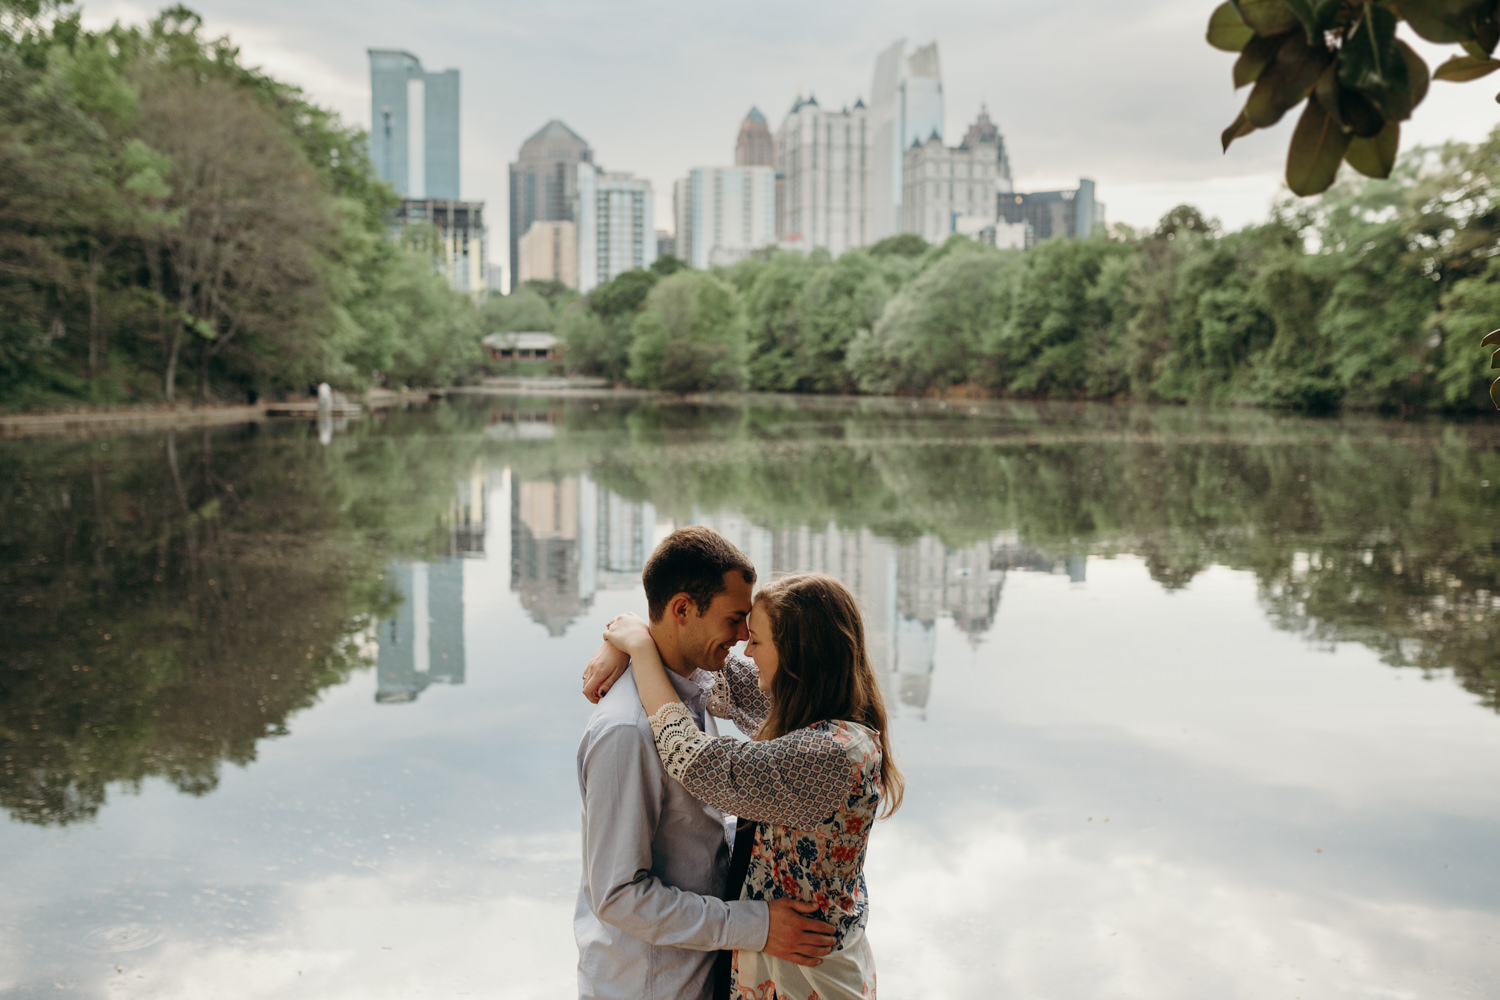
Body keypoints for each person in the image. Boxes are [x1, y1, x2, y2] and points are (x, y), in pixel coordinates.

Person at [596, 571, 904, 1000]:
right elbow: (714, 671)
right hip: (788, 962)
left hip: (806, 976)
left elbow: (696, 759)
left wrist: (643, 652)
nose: (745, 647)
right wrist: (628, 640)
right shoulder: (810, 711)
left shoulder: (829, 754)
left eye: (757, 639)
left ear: (798, 655)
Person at [574, 527, 838, 1000]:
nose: (743, 637)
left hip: (697, 975)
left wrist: (634, 639)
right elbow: (617, 896)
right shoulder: (628, 731)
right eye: (735, 619)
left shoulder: (692, 690)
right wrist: (754, 925)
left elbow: (699, 826)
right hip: (651, 986)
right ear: (682, 610)